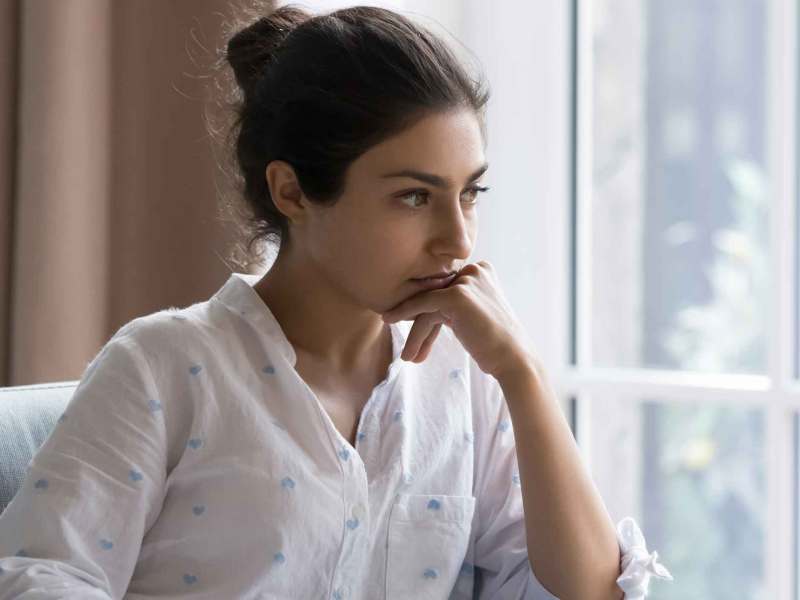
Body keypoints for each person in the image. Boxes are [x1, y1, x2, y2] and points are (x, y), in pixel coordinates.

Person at [0, 4, 672, 599]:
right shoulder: (163, 367)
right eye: (414, 197)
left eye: (469, 193)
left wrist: (521, 375)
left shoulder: (468, 383)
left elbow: (590, 592)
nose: (456, 240)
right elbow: (40, 576)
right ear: (292, 193)